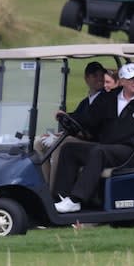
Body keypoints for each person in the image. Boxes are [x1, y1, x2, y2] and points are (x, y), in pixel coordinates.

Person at [53, 63, 134, 213]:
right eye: (131, 79)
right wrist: (67, 117)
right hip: (110, 147)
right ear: (122, 81)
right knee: (69, 150)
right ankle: (60, 196)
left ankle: (76, 200)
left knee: (99, 152)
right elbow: (89, 118)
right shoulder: (110, 98)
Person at [34, 61, 106, 190]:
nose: (100, 78)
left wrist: (69, 128)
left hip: (97, 142)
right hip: (82, 138)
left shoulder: (107, 98)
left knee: (62, 144)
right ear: (87, 78)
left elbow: (91, 123)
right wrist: (60, 129)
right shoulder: (86, 102)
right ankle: (44, 186)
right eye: (95, 75)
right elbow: (77, 119)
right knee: (39, 142)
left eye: (102, 75)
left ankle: (54, 191)